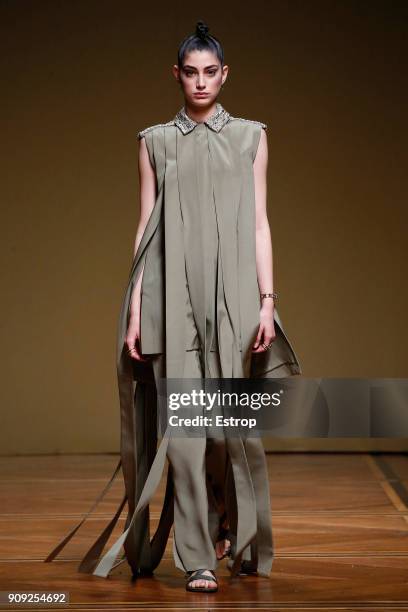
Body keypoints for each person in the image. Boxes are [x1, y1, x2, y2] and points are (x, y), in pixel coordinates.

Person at [44, 20, 302, 594]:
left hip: (236, 299)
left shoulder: (252, 137)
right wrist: (137, 308)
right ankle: (197, 559)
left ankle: (227, 528)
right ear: (178, 75)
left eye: (211, 72)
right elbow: (144, 227)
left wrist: (267, 302)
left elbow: (260, 222)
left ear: (225, 74)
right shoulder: (154, 141)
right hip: (172, 300)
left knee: (227, 432)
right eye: (192, 72)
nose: (201, 82)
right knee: (185, 434)